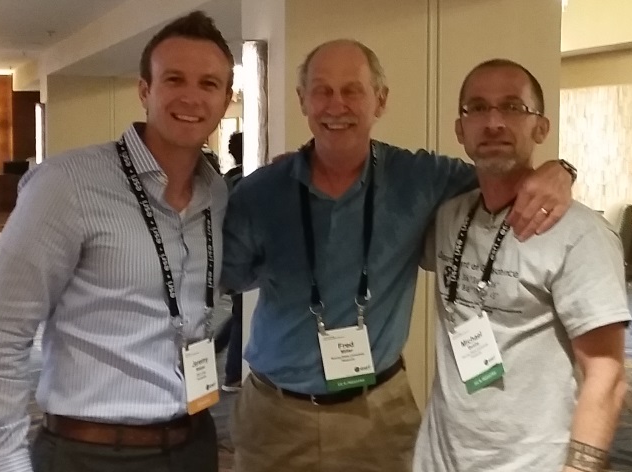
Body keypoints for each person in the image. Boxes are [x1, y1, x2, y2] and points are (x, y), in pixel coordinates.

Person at [222, 39, 575, 472]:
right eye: (322, 90)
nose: (336, 105)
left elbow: (500, 174)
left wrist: (560, 170)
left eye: (352, 90)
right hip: (274, 418)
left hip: (378, 418)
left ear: (381, 100)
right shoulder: (261, 192)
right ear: (302, 100)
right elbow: (226, 277)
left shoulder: (420, 178)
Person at [0, 11, 232, 472]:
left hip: (194, 443)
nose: (191, 96)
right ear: (145, 90)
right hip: (93, 453)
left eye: (209, 84)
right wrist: (5, 460)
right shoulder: (67, 185)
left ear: (225, 99)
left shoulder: (216, 194)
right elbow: (0, 334)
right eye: (174, 79)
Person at [413, 59, 630, 472]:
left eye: (513, 107)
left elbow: (607, 373)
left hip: (532, 462)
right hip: (439, 457)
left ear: (541, 128)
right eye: (477, 108)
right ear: (460, 130)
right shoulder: (448, 217)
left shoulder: (580, 234)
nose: (493, 122)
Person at [216, 131, 244, 392]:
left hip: (228, 254)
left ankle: (216, 346)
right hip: (244, 258)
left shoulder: (224, 182)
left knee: (238, 312)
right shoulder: (249, 181)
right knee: (241, 314)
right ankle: (233, 375)